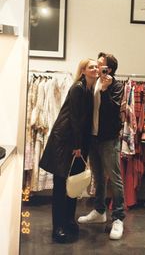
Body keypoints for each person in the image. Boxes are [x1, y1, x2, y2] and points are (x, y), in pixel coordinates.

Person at [39, 59, 99, 243]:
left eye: (97, 66)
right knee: (60, 185)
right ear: (83, 71)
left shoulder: (89, 90)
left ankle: (69, 221)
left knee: (73, 184)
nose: (95, 69)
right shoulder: (78, 88)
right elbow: (74, 118)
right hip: (65, 141)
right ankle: (58, 228)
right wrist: (77, 146)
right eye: (91, 67)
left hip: (75, 141)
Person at [78, 52, 125, 240]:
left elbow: (113, 111)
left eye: (101, 65)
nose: (98, 68)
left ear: (109, 69)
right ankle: (99, 211)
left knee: (114, 178)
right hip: (93, 137)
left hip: (108, 138)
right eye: (97, 65)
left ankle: (119, 218)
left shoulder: (116, 85)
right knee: (98, 177)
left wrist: (105, 91)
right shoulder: (94, 82)